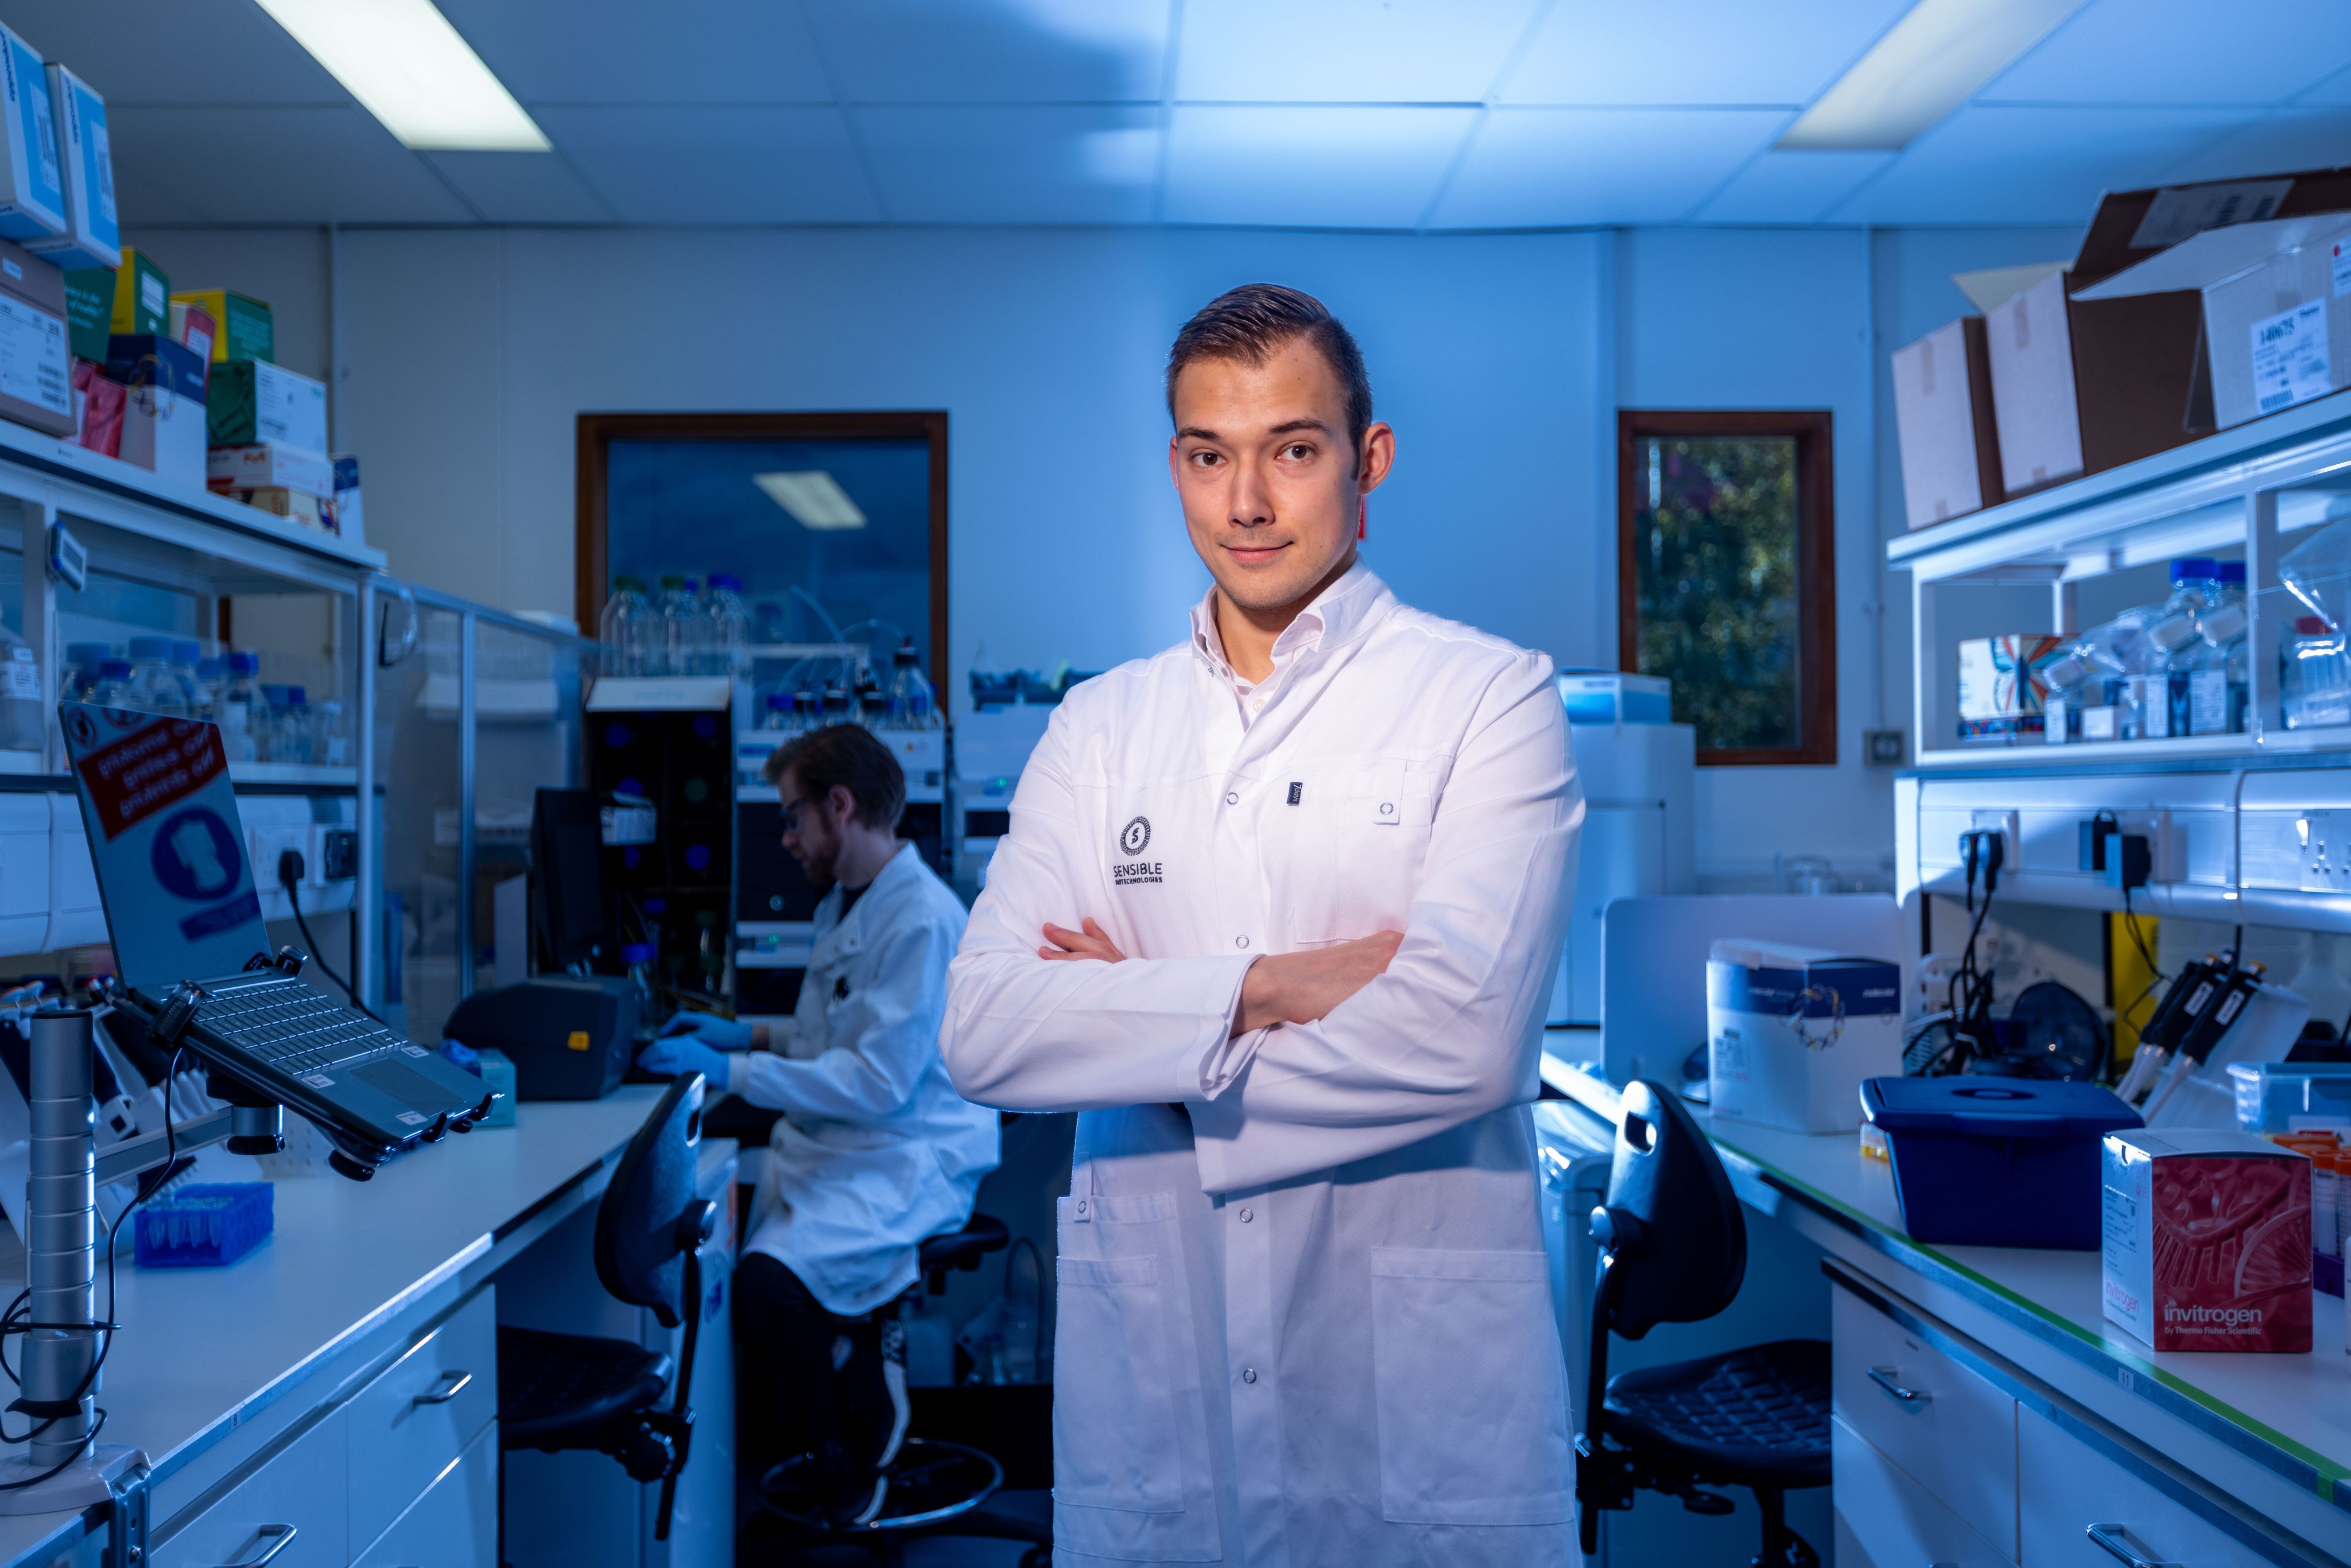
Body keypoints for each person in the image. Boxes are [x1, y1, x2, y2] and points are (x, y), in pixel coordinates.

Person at [941, 283, 1584, 1566]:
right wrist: (1277, 985)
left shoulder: (1488, 699)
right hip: (1158, 1393)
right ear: (1172, 465)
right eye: (1207, 455)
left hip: (1415, 1414)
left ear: (1368, 459)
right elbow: (983, 1033)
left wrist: (1145, 1029)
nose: (1246, 502)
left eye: (1291, 449)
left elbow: (1464, 1043)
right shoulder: (1097, 728)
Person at [641, 722, 998, 1525]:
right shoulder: (849, 901)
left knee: (766, 1286)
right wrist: (740, 1032)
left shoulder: (921, 920)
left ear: (840, 806)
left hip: (911, 1156)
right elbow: (827, 1034)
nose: (786, 835)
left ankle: (858, 1448)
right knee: (740, 1261)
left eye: (794, 815)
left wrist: (726, 1069)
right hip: (845, 1148)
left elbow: (874, 1081)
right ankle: (850, 1364)